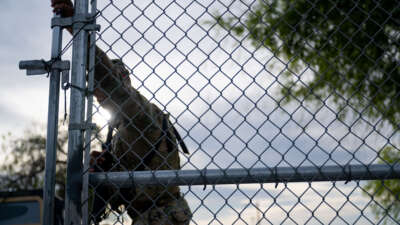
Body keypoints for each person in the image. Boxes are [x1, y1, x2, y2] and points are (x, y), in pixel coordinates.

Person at [51, 1, 192, 224]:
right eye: (95, 88)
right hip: (148, 217)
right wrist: (105, 170)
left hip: (163, 217)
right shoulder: (122, 130)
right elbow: (124, 193)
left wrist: (75, 27)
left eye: (101, 86)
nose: (98, 94)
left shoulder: (142, 116)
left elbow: (111, 83)